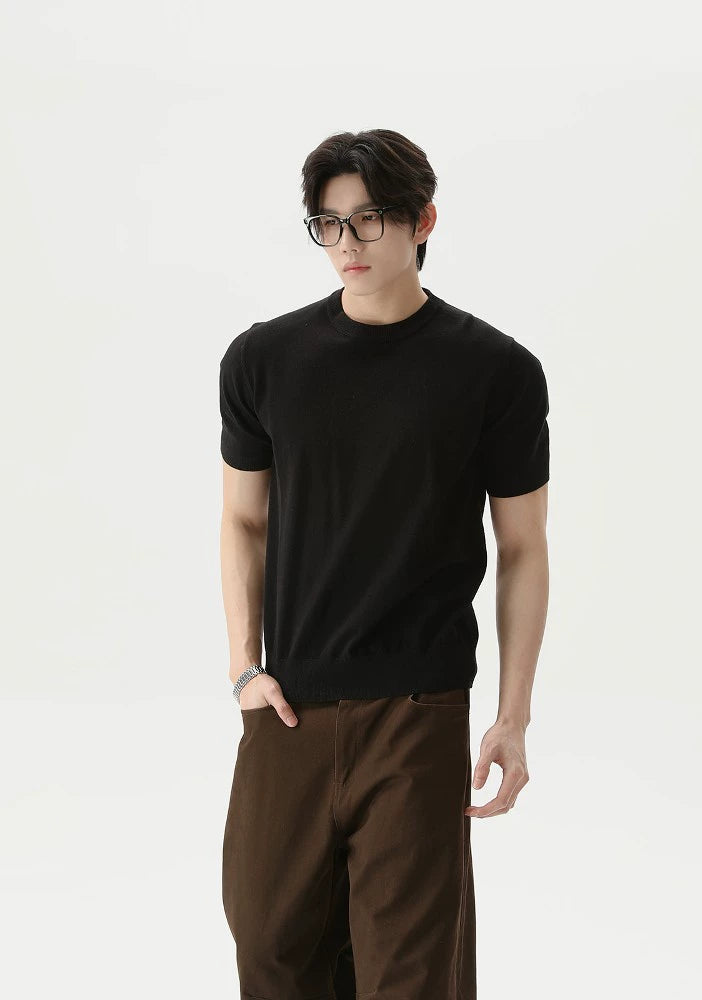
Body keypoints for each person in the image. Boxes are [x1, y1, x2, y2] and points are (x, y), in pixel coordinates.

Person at [219, 128, 550, 1000]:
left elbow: (522, 548)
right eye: (328, 224)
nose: (347, 244)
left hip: (418, 709)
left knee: (409, 976)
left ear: (422, 221)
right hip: (288, 708)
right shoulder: (263, 360)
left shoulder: (497, 371)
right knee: (270, 953)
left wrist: (511, 717)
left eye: (367, 220)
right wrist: (245, 668)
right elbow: (242, 520)